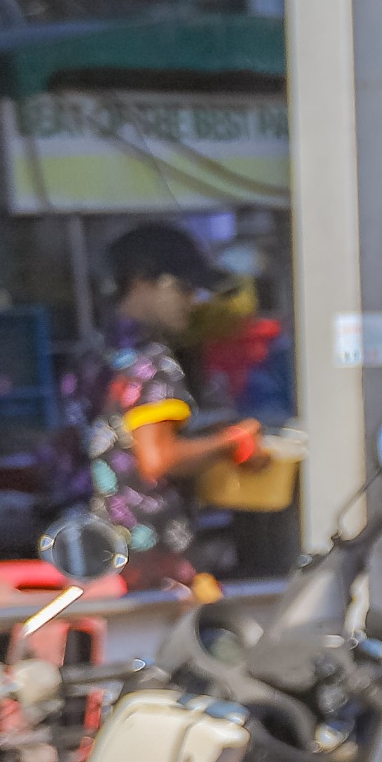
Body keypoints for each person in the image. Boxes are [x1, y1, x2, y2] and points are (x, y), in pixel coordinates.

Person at [59, 222, 264, 588]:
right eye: (183, 287)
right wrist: (232, 442)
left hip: (91, 552)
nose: (194, 300)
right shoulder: (154, 362)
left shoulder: (92, 355)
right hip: (150, 561)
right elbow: (158, 459)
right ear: (141, 282)